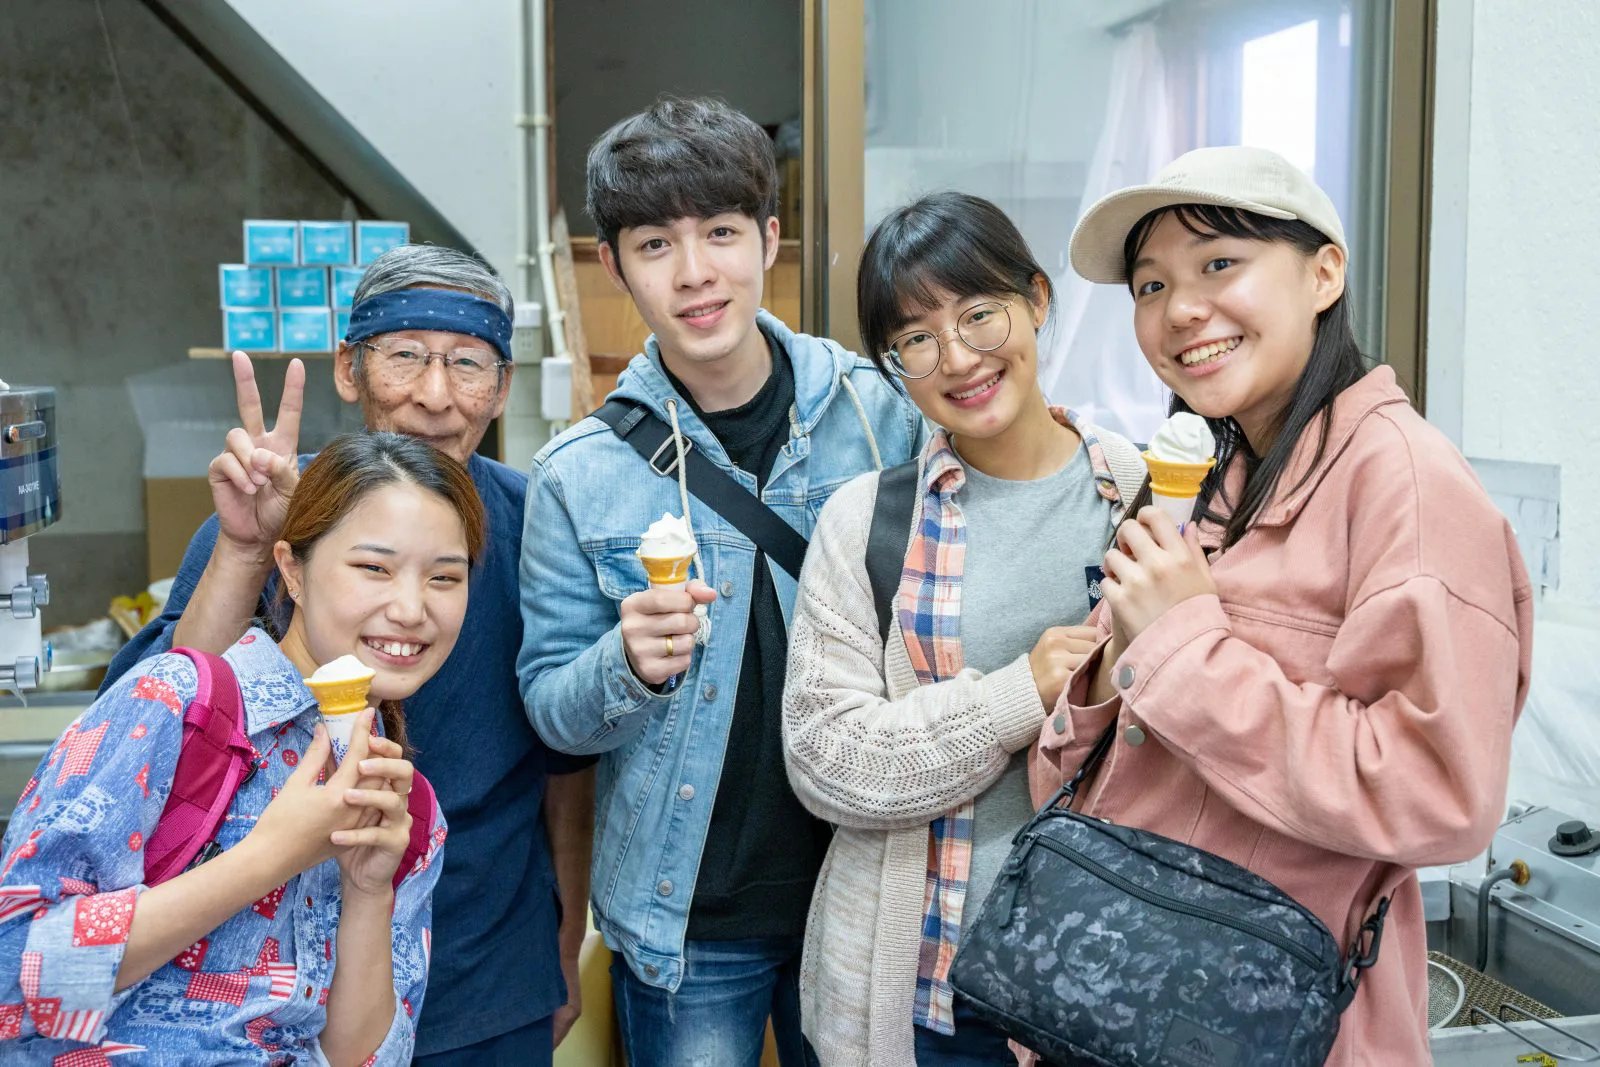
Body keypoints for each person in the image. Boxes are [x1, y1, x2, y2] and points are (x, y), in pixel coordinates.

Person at [1027, 145, 1531, 1063]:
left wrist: (1182, 650)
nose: (1180, 310)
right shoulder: (1213, 478)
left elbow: (1442, 796)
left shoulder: (1409, 487)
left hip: (1282, 1027)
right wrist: (1101, 678)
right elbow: (1083, 761)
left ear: (1324, 273)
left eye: (1219, 263)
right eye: (1150, 285)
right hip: (1128, 1003)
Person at [101, 245, 596, 1065]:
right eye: (405, 355)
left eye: (467, 363)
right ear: (348, 368)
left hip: (484, 970)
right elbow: (170, 711)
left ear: (502, 387)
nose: (435, 394)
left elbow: (566, 761)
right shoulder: (278, 512)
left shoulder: (536, 525)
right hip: (262, 977)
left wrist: (565, 939)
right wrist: (246, 550)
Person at [518, 96, 924, 1067]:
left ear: (770, 240)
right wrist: (625, 663)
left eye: (722, 233)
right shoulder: (577, 472)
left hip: (869, 885)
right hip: (688, 916)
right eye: (656, 244)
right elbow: (551, 713)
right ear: (615, 265)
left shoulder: (881, 415)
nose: (695, 271)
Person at [779, 193, 1146, 1066]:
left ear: (1037, 300)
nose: (958, 358)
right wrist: (1020, 694)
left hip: (1105, 988)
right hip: (924, 1000)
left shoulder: (1140, 494)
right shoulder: (866, 522)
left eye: (980, 314)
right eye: (916, 338)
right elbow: (824, 758)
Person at [0, 431, 472, 1062]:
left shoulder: (409, 809)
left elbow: (361, 1057)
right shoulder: (173, 702)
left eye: (444, 577)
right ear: (292, 571)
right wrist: (269, 856)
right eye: (373, 568)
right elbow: (15, 970)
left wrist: (368, 891)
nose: (412, 609)